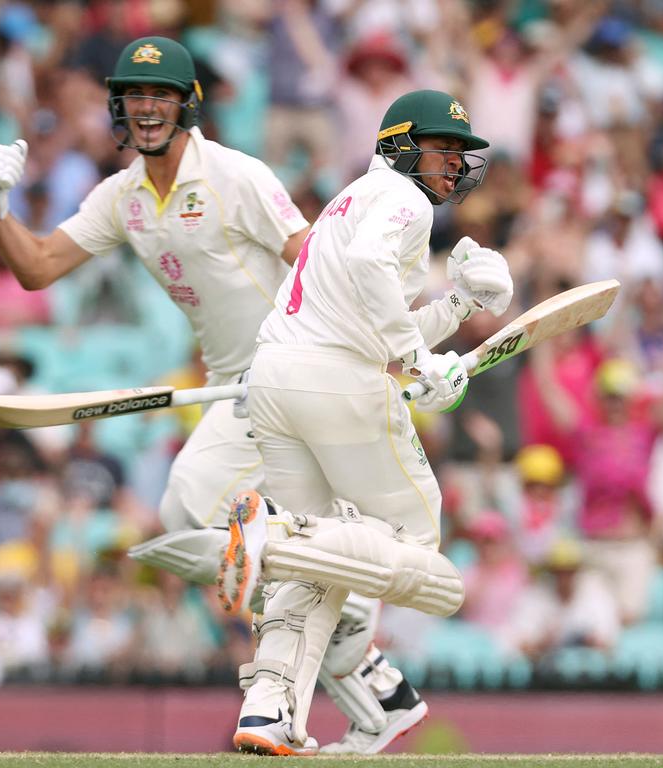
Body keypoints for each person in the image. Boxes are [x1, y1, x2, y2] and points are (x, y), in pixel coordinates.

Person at [0, 35, 422, 752]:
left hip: (292, 368)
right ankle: (375, 680)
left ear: (187, 105)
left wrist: (387, 344)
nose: (146, 110)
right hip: (229, 384)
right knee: (184, 520)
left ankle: (333, 610)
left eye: (160, 97)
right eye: (135, 97)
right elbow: (40, 266)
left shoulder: (235, 175)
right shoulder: (123, 197)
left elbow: (309, 252)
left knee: (207, 514)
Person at [216, 89, 514, 754]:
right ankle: (276, 532)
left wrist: (460, 305)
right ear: (401, 145)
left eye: (462, 154)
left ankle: (269, 709)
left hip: (278, 376)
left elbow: (377, 314)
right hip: (335, 386)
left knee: (327, 560)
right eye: (443, 150)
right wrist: (414, 365)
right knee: (416, 540)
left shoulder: (352, 200)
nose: (455, 166)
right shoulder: (402, 199)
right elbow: (372, 287)